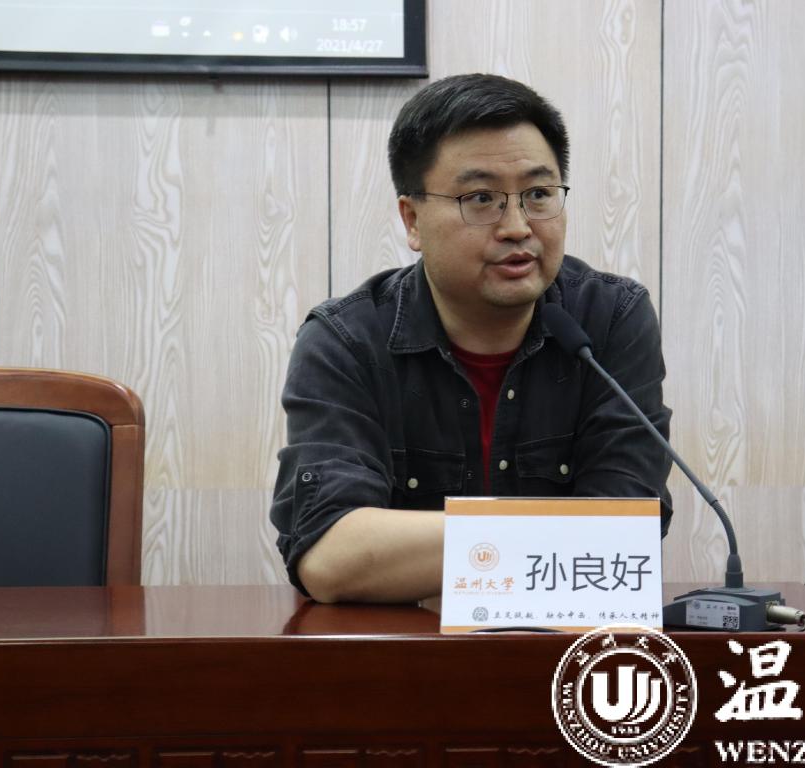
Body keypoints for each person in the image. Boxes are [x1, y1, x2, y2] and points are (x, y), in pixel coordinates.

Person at [270, 73, 673, 603]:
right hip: (403, 649)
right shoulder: (346, 340)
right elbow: (331, 554)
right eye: (481, 198)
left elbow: (625, 529)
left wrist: (432, 554)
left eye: (538, 194)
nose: (517, 226)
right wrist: (553, 540)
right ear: (413, 220)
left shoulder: (610, 319)